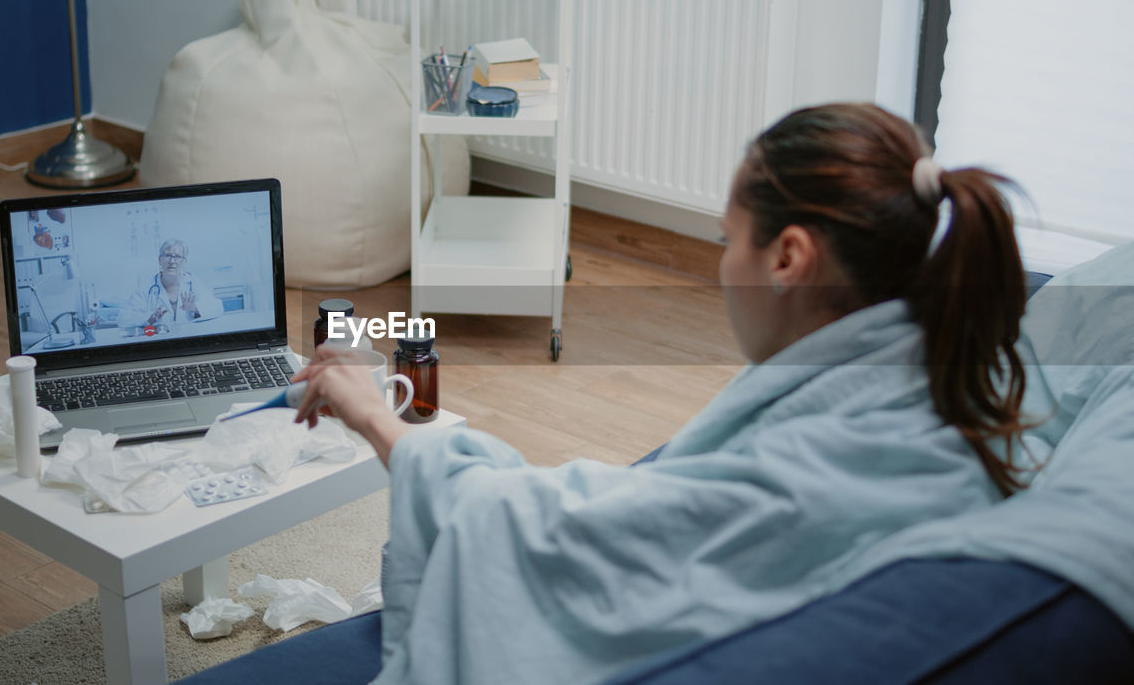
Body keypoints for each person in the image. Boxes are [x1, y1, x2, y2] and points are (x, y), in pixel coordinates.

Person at [290, 103, 1034, 684]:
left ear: (788, 257)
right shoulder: (957, 378)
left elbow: (542, 536)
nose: (721, 264)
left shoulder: (806, 482)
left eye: (725, 239)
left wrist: (376, 418)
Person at [120, 238, 223, 329]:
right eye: (167, 255)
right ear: (160, 260)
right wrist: (150, 318)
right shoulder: (147, 288)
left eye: (178, 257)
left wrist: (194, 308)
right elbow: (123, 319)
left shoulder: (193, 283)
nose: (172, 261)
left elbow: (217, 307)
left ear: (184, 262)